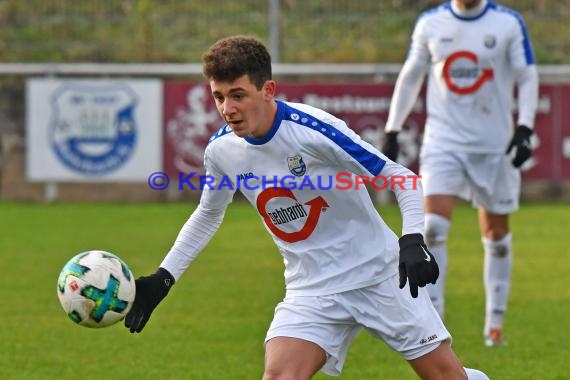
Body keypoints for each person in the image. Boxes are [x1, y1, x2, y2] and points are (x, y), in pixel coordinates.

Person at [125, 35, 489, 379]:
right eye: (218, 97)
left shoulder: (313, 130)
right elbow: (207, 214)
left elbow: (401, 177)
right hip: (311, 289)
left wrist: (412, 239)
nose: (227, 109)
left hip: (378, 274)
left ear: (268, 90)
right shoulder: (222, 151)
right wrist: (164, 276)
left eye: (237, 95)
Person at [382, 0, 539, 347]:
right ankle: (434, 323)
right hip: (443, 143)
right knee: (433, 229)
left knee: (497, 240)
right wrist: (393, 128)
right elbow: (411, 74)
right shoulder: (430, 23)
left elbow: (527, 74)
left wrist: (525, 126)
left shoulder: (508, 23)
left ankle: (494, 326)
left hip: (493, 146)